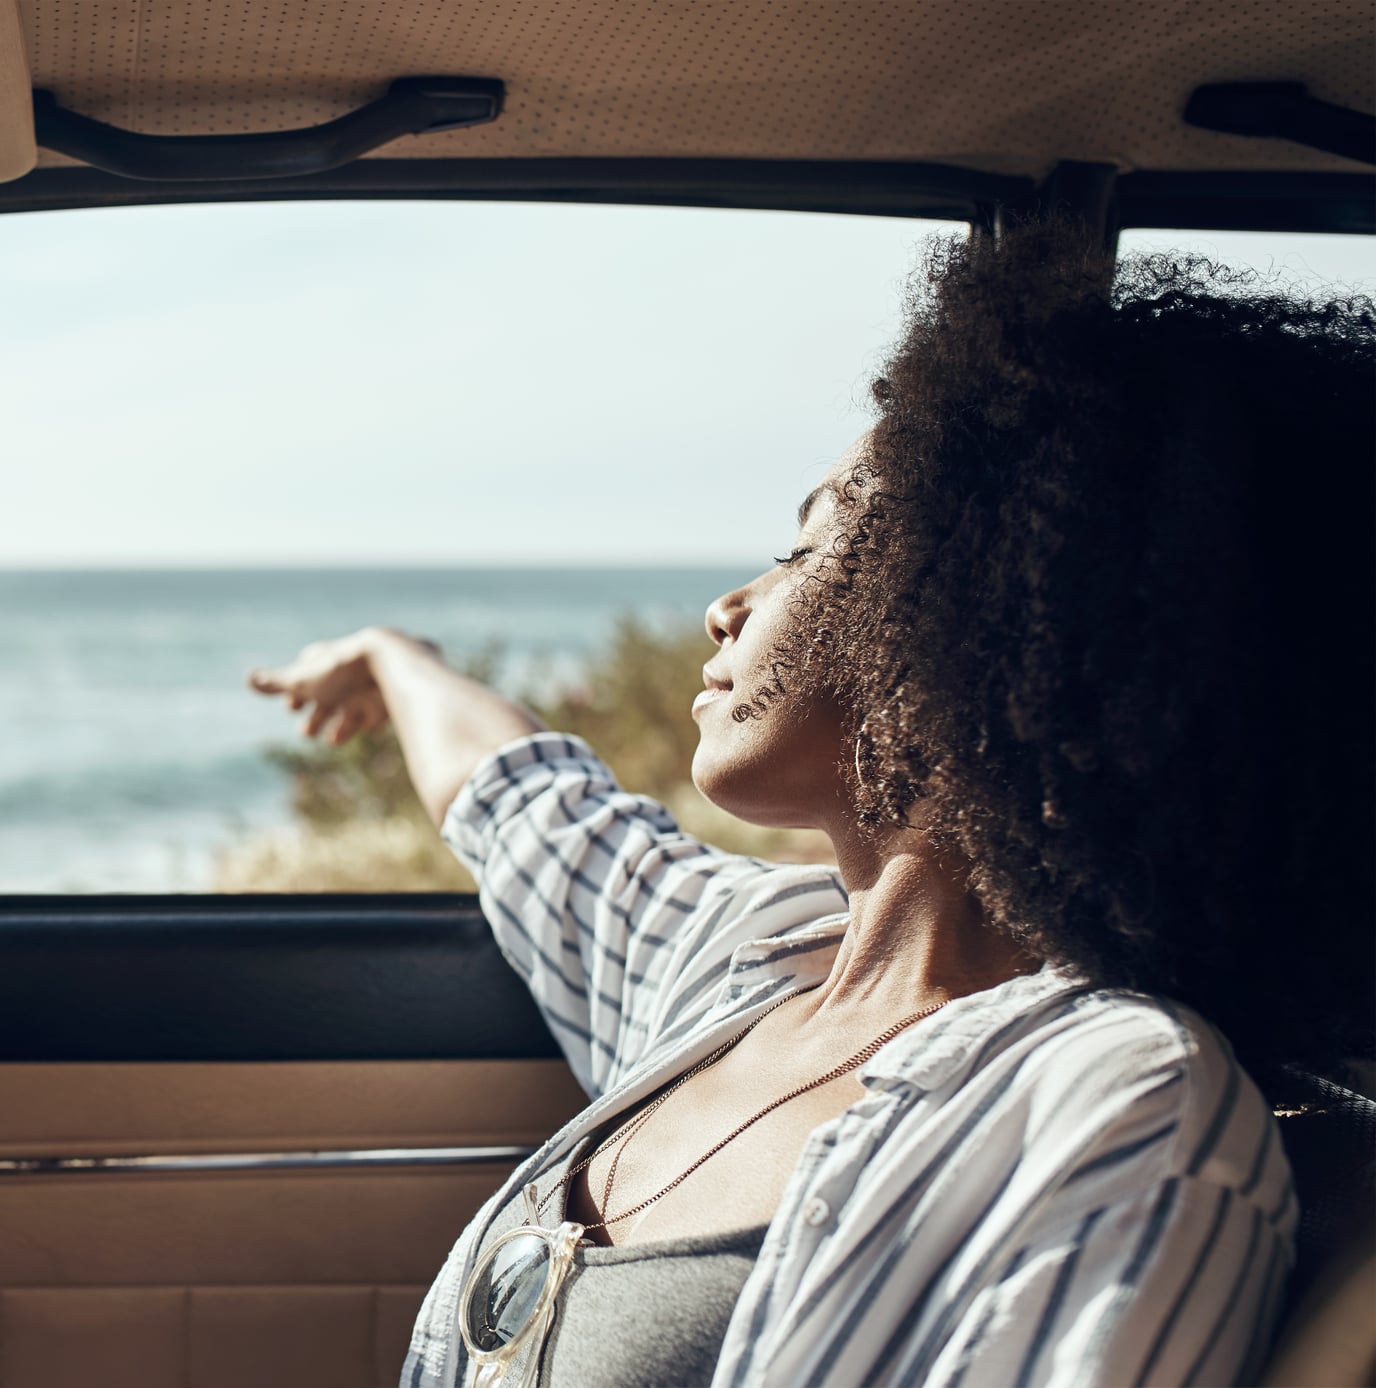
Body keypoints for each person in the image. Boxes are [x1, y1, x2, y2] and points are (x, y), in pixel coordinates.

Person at [248, 223, 1374, 1387]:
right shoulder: (753, 961)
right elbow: (530, 806)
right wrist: (395, 659)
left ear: (989, 606)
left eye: (806, 543)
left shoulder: (1121, 1108)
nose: (727, 607)